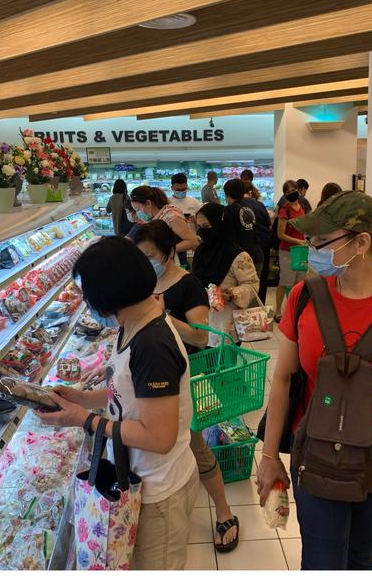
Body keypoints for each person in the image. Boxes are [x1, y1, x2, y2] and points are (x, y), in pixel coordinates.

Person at [257, 190, 372, 570]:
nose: (311, 251)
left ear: (361, 243)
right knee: (321, 561)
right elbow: (283, 380)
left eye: (320, 242)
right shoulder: (303, 297)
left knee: (365, 558)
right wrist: (269, 455)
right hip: (315, 456)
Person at [36, 236, 198, 569]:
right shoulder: (132, 325)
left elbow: (159, 437)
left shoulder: (152, 345)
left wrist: (86, 420)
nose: (86, 304)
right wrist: (82, 398)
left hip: (159, 490)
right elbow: (129, 395)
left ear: (109, 296)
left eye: (87, 296)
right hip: (137, 477)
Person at [132, 221, 240, 553]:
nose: (144, 261)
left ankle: (224, 511)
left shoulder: (188, 285)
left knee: (193, 443)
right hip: (147, 374)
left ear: (167, 252)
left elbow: (201, 336)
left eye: (150, 255)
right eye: (139, 256)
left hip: (184, 375)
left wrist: (162, 316)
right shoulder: (140, 281)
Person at [191, 203, 260, 346]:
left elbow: (252, 284)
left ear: (219, 225)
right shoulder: (200, 251)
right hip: (200, 325)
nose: (201, 232)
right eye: (199, 227)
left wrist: (231, 293)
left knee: (224, 367)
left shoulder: (238, 255)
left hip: (224, 328)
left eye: (206, 227)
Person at [126, 186, 198, 258]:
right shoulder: (151, 219)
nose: (137, 213)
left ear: (148, 203)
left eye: (138, 209)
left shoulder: (171, 216)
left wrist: (165, 251)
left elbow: (192, 241)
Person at [275, 180, 308, 315]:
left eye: (292, 191)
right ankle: (278, 312)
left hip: (300, 251)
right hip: (287, 251)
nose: (291, 194)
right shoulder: (284, 210)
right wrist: (298, 241)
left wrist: (304, 240)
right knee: (285, 281)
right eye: (287, 192)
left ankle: (294, 310)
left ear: (298, 190)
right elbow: (280, 234)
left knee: (299, 282)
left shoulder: (301, 207)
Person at [222, 179, 264, 273]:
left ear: (228, 194)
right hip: (256, 254)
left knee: (241, 287)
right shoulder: (250, 207)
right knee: (253, 286)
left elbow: (226, 235)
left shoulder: (229, 210)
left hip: (241, 258)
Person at [167, 173, 201, 269]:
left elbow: (202, 225)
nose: (181, 192)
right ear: (172, 188)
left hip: (194, 246)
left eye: (184, 189)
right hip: (177, 247)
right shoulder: (167, 203)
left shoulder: (194, 202)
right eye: (178, 190)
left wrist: (196, 221)